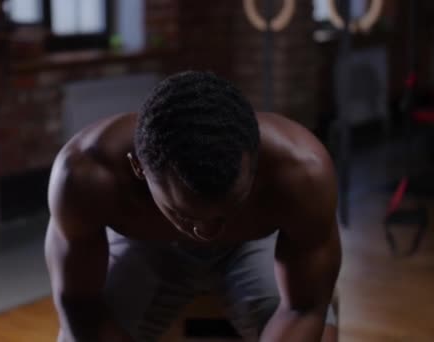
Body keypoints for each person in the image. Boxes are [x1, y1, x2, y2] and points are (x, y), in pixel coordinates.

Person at [45, 71, 341, 342]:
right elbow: (79, 305)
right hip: (148, 248)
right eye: (184, 215)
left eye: (227, 209)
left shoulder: (302, 173)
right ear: (139, 168)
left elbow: (303, 308)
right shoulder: (87, 175)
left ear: (256, 163)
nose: (206, 232)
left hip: (252, 245)